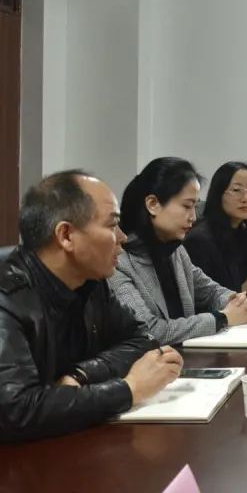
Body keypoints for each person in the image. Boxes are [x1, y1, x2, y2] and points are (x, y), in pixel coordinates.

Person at [0, 170, 183, 443]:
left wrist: (81, 374)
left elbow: (142, 339)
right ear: (66, 235)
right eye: (112, 225)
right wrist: (129, 389)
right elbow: (16, 411)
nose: (122, 237)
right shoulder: (8, 294)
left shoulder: (90, 280)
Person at [109, 157, 247, 346]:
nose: (193, 217)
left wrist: (237, 301)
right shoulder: (118, 262)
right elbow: (151, 331)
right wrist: (223, 318)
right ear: (153, 204)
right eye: (187, 206)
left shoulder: (175, 250)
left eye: (195, 206)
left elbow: (210, 291)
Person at [185, 162, 247, 293]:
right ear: (218, 194)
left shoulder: (242, 231)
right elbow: (200, 299)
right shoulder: (199, 240)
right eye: (236, 190)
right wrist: (244, 288)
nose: (246, 198)